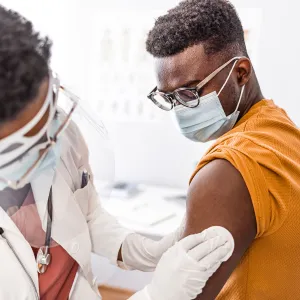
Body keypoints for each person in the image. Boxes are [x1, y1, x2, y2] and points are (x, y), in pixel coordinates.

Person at [0, 5, 235, 300]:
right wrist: (158, 295)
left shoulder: (58, 131)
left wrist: (144, 250)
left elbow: (87, 216)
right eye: (31, 145)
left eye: (50, 117)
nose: (54, 142)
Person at [145, 0, 300, 299]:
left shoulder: (226, 171)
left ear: (241, 72)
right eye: (169, 98)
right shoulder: (280, 129)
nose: (180, 109)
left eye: (190, 92)